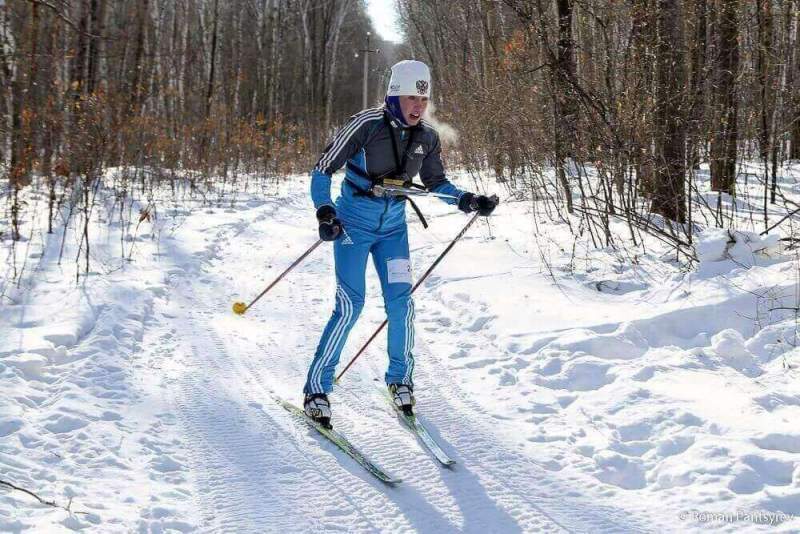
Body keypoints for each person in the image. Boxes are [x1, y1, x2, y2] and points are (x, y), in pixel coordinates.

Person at [303, 60, 497, 428]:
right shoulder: (365, 125)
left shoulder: (426, 136)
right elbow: (322, 169)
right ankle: (317, 388)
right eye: (411, 97)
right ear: (395, 95)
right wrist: (325, 212)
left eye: (423, 100)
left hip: (393, 228)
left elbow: (437, 182)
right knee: (350, 306)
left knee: (402, 304)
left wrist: (469, 200)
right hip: (353, 227)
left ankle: (400, 380)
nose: (418, 107)